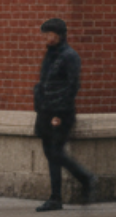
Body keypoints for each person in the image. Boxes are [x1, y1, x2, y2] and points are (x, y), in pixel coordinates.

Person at [32, 18, 95, 212]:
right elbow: (45, 82)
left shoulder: (69, 56)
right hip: (45, 110)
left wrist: (58, 113)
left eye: (49, 34)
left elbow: (72, 86)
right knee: (51, 154)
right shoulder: (50, 55)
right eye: (45, 34)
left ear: (59, 35)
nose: (46, 38)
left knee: (56, 153)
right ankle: (56, 197)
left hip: (60, 113)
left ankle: (84, 178)